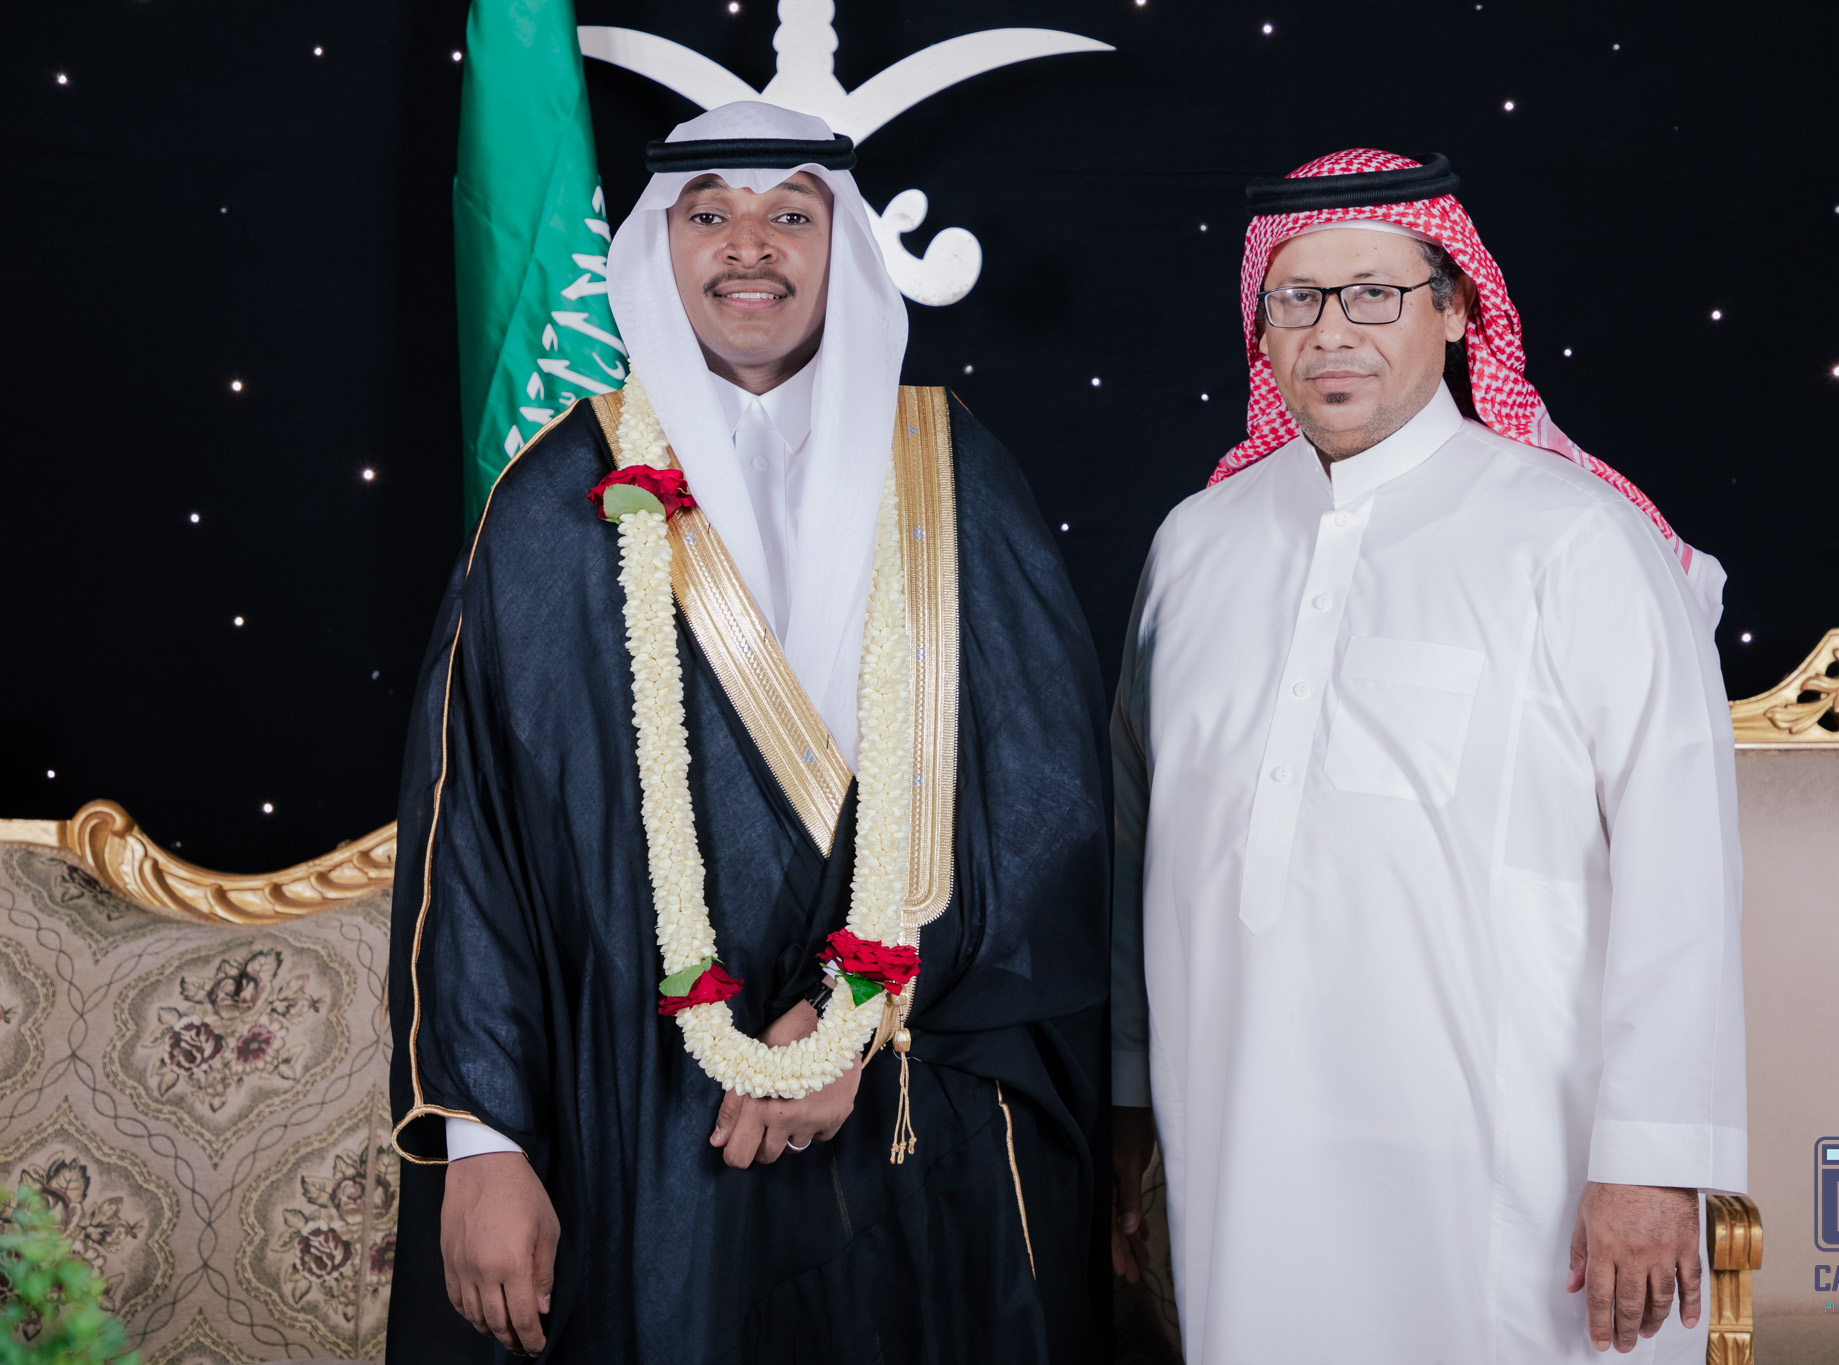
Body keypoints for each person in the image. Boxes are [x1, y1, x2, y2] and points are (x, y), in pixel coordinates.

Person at [386, 102, 1110, 1364]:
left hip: (910, 1098)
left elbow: (1047, 804)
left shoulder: (950, 473)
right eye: (708, 214)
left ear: (844, 247)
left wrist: (856, 1020)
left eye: (790, 214)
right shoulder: (557, 497)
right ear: (657, 251)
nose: (748, 246)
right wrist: (484, 1141)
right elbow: (476, 841)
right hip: (641, 1115)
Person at [1107, 149, 1745, 1363]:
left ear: (1455, 311)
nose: (1331, 332)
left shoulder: (1572, 537)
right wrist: (1126, 1101)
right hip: (1238, 1140)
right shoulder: (1194, 546)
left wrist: (1654, 1158)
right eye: (1296, 298)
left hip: (1508, 1165)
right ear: (1258, 324)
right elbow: (1135, 847)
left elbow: (1681, 870)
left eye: (1374, 293)